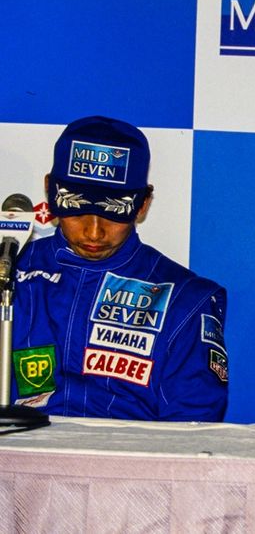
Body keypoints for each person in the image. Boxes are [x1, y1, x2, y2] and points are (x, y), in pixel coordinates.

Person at [8, 116, 228, 421]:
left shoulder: (186, 300)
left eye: (112, 212)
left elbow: (192, 429)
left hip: (131, 465)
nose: (94, 232)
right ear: (50, 192)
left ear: (143, 204)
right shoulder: (10, 277)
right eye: (78, 207)